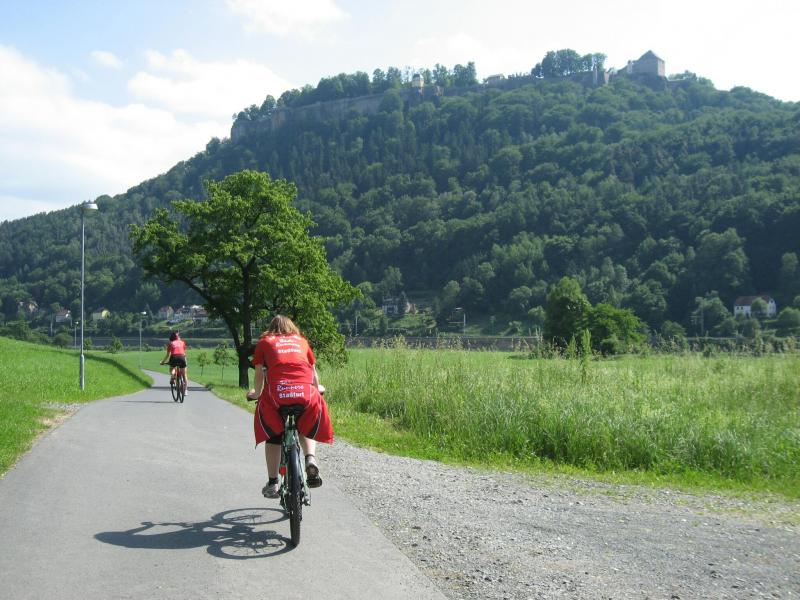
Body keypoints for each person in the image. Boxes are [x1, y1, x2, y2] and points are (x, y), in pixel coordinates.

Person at [247, 315, 333, 498]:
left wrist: (256, 394)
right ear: (292, 327)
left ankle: (273, 483)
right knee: (306, 424)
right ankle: (310, 459)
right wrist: (317, 388)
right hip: (305, 393)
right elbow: (312, 372)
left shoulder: (264, 342)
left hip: (278, 395)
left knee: (274, 434)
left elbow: (259, 374)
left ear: (271, 329)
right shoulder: (302, 341)